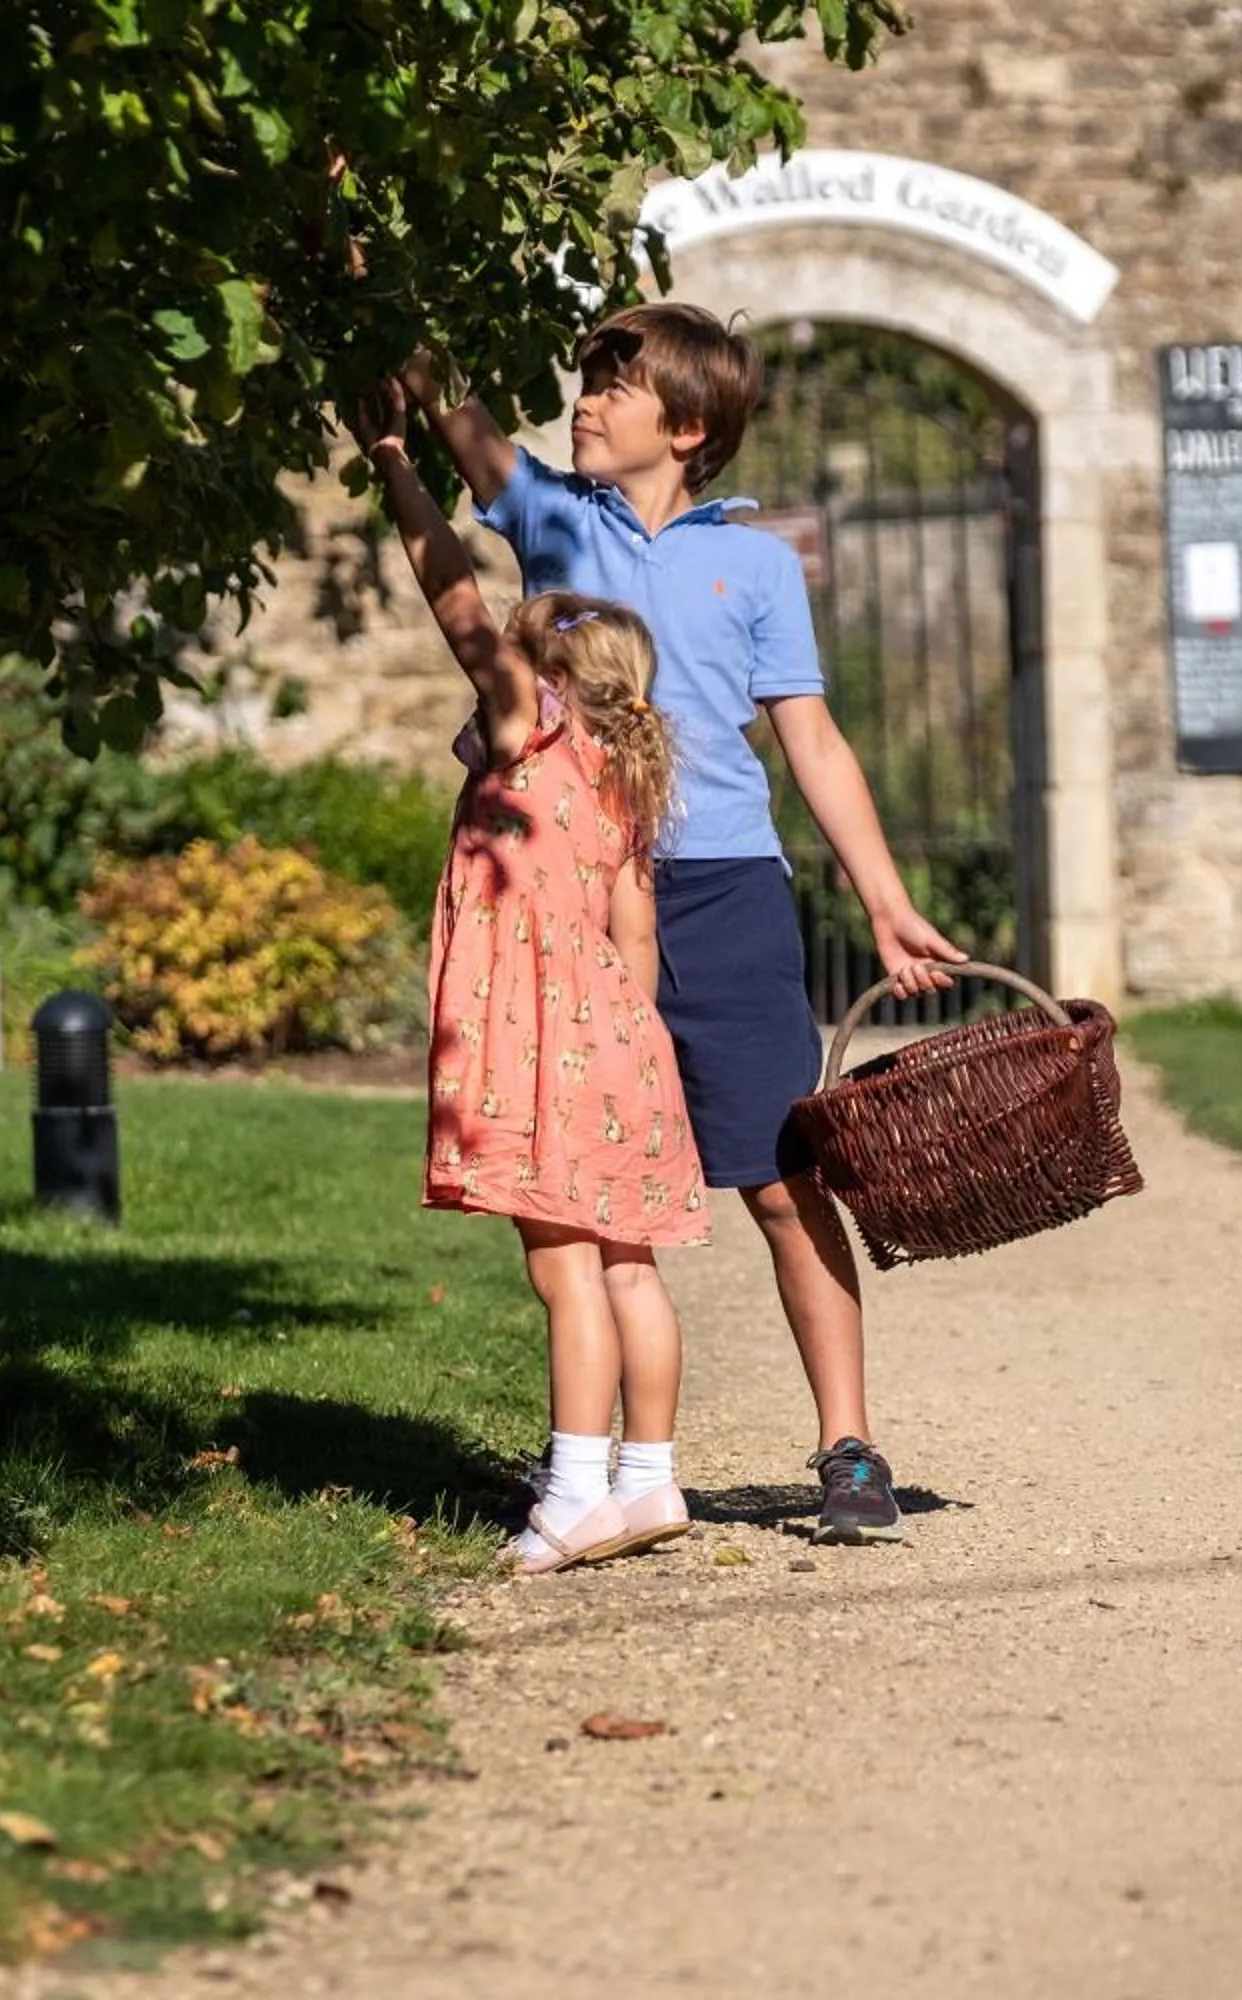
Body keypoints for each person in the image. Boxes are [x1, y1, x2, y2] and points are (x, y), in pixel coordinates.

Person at [399, 305, 967, 1545]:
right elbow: (459, 421)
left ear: (690, 426)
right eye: (588, 381)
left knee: (779, 1177)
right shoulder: (556, 517)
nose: (585, 402)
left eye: (615, 386)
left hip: (723, 892)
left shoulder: (755, 563)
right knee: (574, 1195)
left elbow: (808, 734)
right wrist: (368, 283)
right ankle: (602, 1468)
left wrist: (883, 898)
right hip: (575, 905)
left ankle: (848, 1444)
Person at [352, 382, 709, 1576]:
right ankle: (648, 1479)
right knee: (628, 1267)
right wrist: (643, 1052)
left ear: (545, 667)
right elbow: (637, 931)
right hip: (620, 1041)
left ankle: (569, 1491)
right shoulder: (623, 765)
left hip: (551, 1039)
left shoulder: (533, 724)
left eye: (522, 627)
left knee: (564, 1272)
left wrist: (399, 467)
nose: (498, 633)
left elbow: (450, 592)